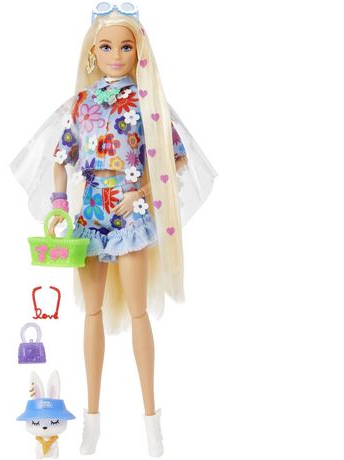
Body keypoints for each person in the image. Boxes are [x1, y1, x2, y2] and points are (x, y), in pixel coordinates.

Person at [11, 3, 217, 457]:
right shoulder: (82, 103)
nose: (116, 55)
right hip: (89, 215)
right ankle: (91, 417)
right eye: (106, 47)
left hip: (130, 213)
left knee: (139, 313)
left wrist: (140, 190)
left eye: (125, 47)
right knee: (92, 313)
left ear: (139, 51)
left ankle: (151, 420)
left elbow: (174, 160)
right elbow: (61, 157)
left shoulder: (148, 104)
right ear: (92, 52)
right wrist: (60, 203)